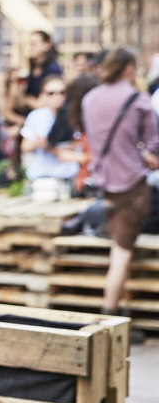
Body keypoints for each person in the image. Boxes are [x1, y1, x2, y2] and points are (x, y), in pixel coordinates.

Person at [81, 47, 159, 323]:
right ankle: (110, 313)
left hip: (103, 184)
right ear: (128, 68)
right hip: (131, 186)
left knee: (118, 244)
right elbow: (153, 144)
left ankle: (113, 308)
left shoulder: (90, 98)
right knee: (122, 252)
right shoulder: (138, 99)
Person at [20, 75, 80, 183]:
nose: (57, 96)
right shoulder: (36, 116)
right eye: (51, 93)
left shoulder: (72, 116)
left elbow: (77, 145)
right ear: (42, 95)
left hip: (67, 174)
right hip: (42, 175)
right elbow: (25, 146)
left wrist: (51, 146)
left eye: (62, 92)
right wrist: (39, 142)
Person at [24, 30, 63, 108]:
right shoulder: (33, 68)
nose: (31, 48)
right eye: (29, 44)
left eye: (34, 44)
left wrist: (24, 98)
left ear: (46, 45)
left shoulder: (53, 70)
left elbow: (41, 104)